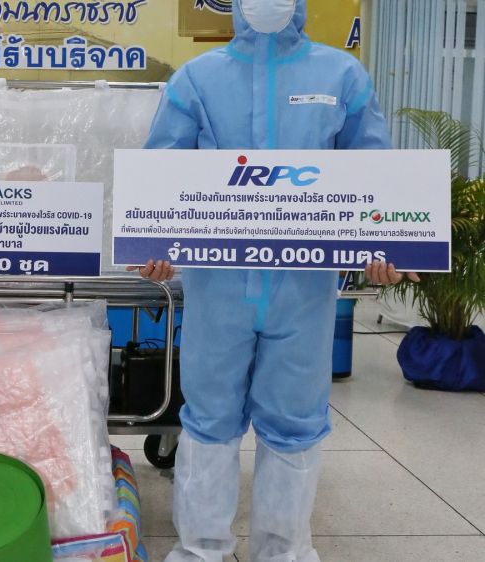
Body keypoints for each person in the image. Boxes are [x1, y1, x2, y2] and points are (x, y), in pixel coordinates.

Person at [129, 1, 418, 560]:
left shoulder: (343, 76)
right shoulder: (196, 79)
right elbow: (161, 175)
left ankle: (283, 551)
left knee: (295, 421)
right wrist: (153, 247)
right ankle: (200, 549)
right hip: (217, 289)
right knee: (209, 419)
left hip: (304, 292)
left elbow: (374, 178)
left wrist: (381, 247)